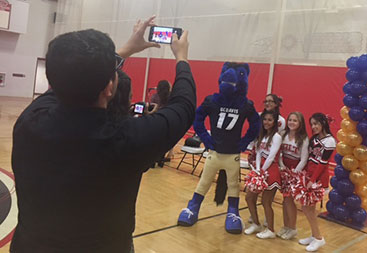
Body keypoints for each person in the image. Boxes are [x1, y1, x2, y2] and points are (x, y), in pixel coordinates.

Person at [11, 16, 196, 253]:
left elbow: (68, 81)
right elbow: (184, 106)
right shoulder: (128, 140)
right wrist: (181, 58)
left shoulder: (29, 122)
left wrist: (126, 49)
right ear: (110, 88)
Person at [177, 62, 260, 234]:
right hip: (214, 152)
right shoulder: (212, 100)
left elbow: (255, 125)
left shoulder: (245, 104)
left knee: (233, 185)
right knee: (204, 182)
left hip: (232, 154)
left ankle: (232, 212)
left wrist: (244, 142)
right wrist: (205, 138)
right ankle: (193, 207)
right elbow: (197, 118)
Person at [297, 113, 336, 252]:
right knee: (306, 207)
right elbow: (308, 158)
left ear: (323, 123)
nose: (313, 127)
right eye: (312, 124)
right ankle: (314, 235)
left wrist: (312, 181)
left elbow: (322, 164)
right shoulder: (314, 138)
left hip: (318, 179)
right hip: (308, 176)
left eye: (316, 123)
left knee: (308, 208)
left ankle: (319, 238)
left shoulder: (330, 141)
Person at [244, 110, 282, 239]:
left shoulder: (277, 137)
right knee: (249, 197)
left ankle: (270, 230)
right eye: (265, 119)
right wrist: (258, 170)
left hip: (272, 172)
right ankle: (256, 224)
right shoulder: (262, 135)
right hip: (260, 170)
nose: (266, 122)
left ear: (275, 122)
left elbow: (271, 156)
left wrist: (262, 172)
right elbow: (259, 153)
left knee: (266, 202)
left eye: (270, 120)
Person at [277, 112, 309, 240]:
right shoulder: (283, 134)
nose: (291, 122)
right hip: (284, 168)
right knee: (285, 200)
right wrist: (282, 167)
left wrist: (294, 173)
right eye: (290, 120)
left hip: (297, 171)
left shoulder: (304, 138)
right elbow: (279, 153)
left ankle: (293, 228)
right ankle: (286, 226)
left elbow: (304, 159)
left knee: (289, 200)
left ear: (300, 123)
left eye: (295, 121)